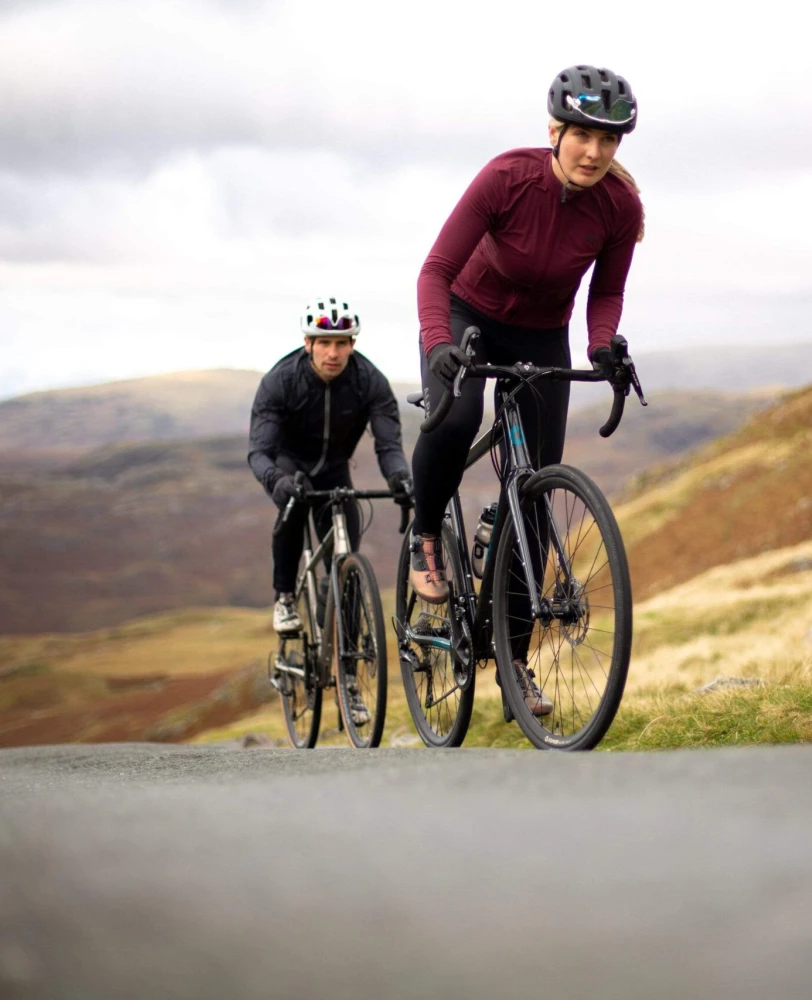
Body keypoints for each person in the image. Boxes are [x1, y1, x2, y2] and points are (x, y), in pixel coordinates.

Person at [407, 65, 643, 717]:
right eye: (582, 136)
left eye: (608, 139)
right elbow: (435, 271)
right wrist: (439, 344)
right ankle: (426, 536)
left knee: (534, 494)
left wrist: (602, 345)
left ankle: (514, 662)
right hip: (466, 318)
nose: (594, 152)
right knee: (456, 420)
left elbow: (607, 292)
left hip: (541, 334)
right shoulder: (507, 178)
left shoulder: (619, 206)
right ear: (555, 131)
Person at [248, 296, 412, 724]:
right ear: (308, 343)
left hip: (336, 472)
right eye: (324, 343)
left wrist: (399, 477)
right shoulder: (281, 381)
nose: (333, 352)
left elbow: (389, 445)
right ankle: (285, 597)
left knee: (347, 571)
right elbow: (259, 451)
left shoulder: (369, 382)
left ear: (353, 344)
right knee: (290, 513)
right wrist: (277, 481)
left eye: (342, 343)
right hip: (290, 468)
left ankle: (349, 680)